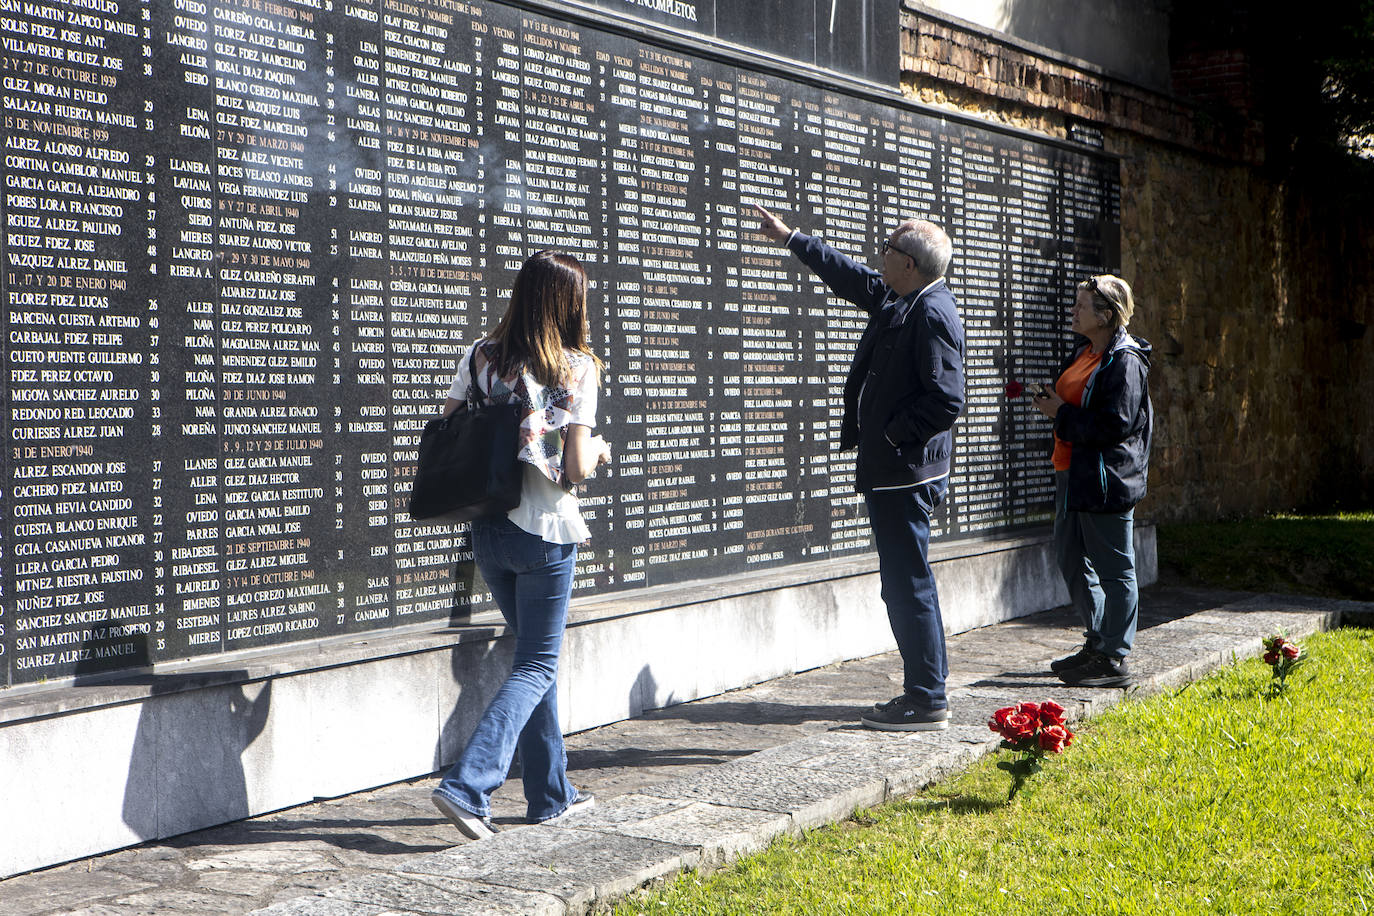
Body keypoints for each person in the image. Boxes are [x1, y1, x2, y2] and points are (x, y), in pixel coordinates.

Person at [752, 203, 965, 731]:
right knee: (903, 581)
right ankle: (924, 689)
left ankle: (926, 697)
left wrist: (891, 436)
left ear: (910, 264)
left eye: (889, 249)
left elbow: (946, 399)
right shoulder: (905, 299)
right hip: (894, 470)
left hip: (903, 473)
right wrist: (792, 239)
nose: (880, 255)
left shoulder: (931, 312)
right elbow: (855, 278)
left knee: (907, 582)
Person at [430, 250, 612, 839]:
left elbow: (445, 424)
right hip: (545, 530)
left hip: (489, 530)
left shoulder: (480, 355)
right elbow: (577, 468)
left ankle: (550, 795)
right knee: (536, 663)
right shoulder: (577, 367)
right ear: (569, 303)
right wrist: (601, 449)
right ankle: (469, 785)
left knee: (539, 661)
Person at [1031, 275, 1152, 688]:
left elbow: (1114, 425)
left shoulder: (1125, 361)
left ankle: (1114, 657)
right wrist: (1054, 403)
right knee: (1070, 557)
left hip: (1106, 480)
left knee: (1115, 567)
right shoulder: (1086, 351)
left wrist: (1059, 414)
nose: (1073, 311)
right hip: (1072, 472)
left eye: (1081, 306)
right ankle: (1097, 642)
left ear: (1106, 315)